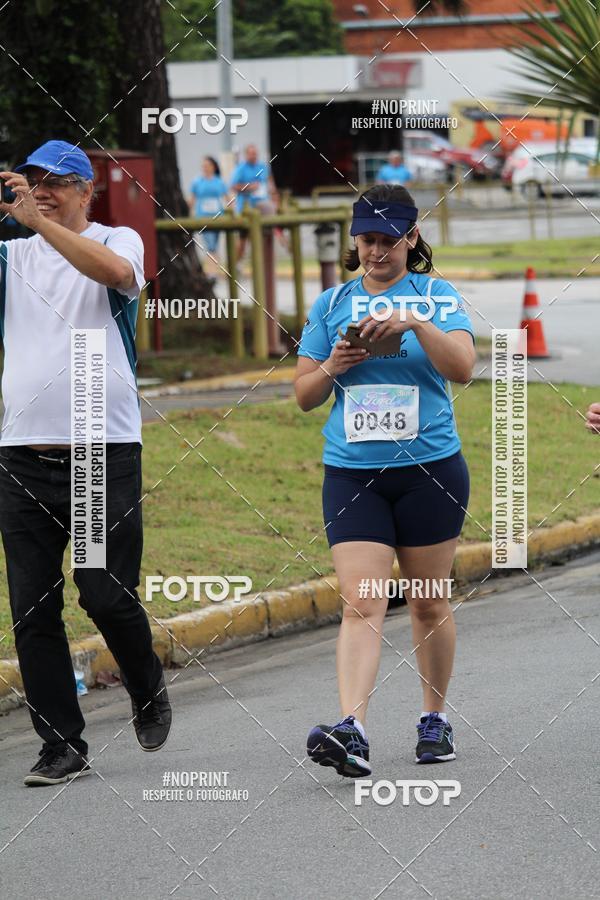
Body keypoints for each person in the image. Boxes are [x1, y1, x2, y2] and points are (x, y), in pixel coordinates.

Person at [0, 140, 171, 786]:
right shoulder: (11, 256)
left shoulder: (117, 239)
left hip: (97, 457)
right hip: (21, 456)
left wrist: (39, 223)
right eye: (31, 181)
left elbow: (112, 275)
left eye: (55, 183)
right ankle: (61, 744)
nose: (41, 192)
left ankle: (146, 683)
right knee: (31, 610)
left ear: (85, 189)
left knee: (102, 592)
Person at [295, 184, 475, 776]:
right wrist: (333, 364)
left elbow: (464, 369)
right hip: (353, 473)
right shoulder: (331, 304)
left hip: (429, 471)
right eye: (367, 239)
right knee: (360, 602)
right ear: (354, 241)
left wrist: (416, 326)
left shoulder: (437, 297)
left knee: (428, 603)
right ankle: (353, 728)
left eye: (389, 239)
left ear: (412, 238)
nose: (377, 251)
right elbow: (302, 395)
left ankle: (435, 719)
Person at [230, 144, 277, 260]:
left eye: (255, 153)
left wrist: (274, 196)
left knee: (260, 239)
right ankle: (235, 265)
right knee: (242, 240)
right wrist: (249, 187)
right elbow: (233, 186)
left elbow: (270, 184)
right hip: (246, 209)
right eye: (251, 154)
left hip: (262, 207)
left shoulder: (263, 167)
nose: (253, 156)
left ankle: (261, 265)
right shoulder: (241, 169)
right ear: (246, 155)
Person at [187, 156, 229, 260]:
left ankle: (213, 269)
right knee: (210, 244)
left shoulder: (219, 182)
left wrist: (233, 211)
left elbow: (227, 198)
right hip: (203, 217)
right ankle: (212, 270)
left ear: (213, 167)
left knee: (214, 244)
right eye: (203, 166)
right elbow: (192, 200)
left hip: (218, 217)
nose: (205, 168)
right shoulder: (197, 182)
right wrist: (188, 213)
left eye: (207, 165)